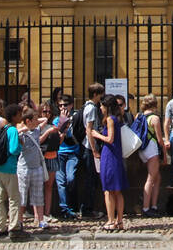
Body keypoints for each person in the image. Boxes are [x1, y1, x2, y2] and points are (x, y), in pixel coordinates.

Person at [90, 94, 128, 230]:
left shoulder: (110, 119)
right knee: (117, 191)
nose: (100, 108)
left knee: (108, 190)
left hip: (110, 155)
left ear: (107, 106)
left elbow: (110, 139)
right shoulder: (117, 118)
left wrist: (96, 135)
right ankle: (119, 221)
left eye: (101, 105)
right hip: (114, 154)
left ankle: (111, 220)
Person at [0, 103, 22, 239]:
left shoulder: (3, 129)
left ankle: (0, 227)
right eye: (19, 114)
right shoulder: (13, 131)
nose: (21, 116)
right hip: (10, 167)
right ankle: (14, 226)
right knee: (14, 198)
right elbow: (14, 149)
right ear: (14, 116)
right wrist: (21, 145)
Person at [17, 106, 48, 229]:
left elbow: (44, 120)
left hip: (36, 167)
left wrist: (34, 119)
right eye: (34, 119)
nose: (37, 121)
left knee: (38, 195)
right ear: (28, 121)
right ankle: (19, 220)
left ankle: (40, 219)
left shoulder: (36, 131)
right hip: (24, 168)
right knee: (22, 196)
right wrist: (25, 126)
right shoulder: (22, 134)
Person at [54, 94, 83, 219]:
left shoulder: (75, 118)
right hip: (60, 153)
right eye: (60, 105)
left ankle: (72, 205)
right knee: (61, 181)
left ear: (71, 105)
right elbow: (57, 138)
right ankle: (64, 208)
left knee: (70, 178)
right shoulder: (56, 120)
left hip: (72, 153)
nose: (62, 107)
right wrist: (62, 123)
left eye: (65, 105)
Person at [80, 83, 105, 218]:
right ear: (95, 94)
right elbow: (89, 129)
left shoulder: (88, 107)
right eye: (100, 94)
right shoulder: (91, 109)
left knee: (92, 179)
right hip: (89, 148)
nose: (101, 97)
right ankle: (87, 209)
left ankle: (88, 208)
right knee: (90, 179)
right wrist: (94, 149)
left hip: (89, 147)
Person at [136, 94, 164, 216]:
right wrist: (163, 149)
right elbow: (159, 139)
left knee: (157, 178)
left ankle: (154, 205)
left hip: (141, 149)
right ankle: (146, 208)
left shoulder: (139, 116)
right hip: (151, 149)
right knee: (151, 179)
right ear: (155, 105)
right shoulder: (155, 118)